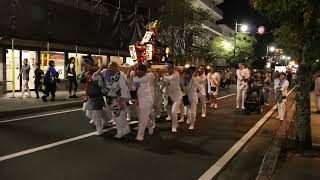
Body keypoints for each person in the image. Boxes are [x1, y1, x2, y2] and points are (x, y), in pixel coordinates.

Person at [98, 62, 131, 138]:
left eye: (112, 69)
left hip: (118, 98)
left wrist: (122, 101)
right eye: (109, 69)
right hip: (108, 97)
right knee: (117, 115)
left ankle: (120, 132)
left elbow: (124, 89)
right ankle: (126, 129)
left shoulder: (121, 76)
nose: (110, 71)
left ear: (116, 69)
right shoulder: (104, 73)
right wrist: (100, 69)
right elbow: (96, 77)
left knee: (118, 115)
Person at [133, 64, 155, 141]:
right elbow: (134, 86)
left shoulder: (148, 76)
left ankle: (140, 136)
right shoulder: (137, 77)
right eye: (137, 71)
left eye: (139, 71)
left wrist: (135, 76)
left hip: (147, 100)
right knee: (142, 116)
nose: (137, 72)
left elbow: (136, 80)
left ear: (144, 71)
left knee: (142, 117)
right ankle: (150, 124)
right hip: (139, 99)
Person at [85, 64, 107, 136]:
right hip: (91, 98)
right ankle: (101, 121)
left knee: (95, 115)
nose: (87, 75)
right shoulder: (91, 79)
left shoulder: (96, 78)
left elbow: (96, 73)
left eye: (88, 73)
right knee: (88, 113)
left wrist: (100, 68)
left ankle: (100, 130)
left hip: (97, 98)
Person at [162, 61, 183, 132]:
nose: (167, 69)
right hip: (170, 96)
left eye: (168, 68)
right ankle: (176, 124)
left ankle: (174, 127)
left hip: (177, 96)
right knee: (168, 109)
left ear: (172, 68)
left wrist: (162, 75)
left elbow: (169, 78)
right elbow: (162, 84)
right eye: (166, 68)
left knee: (174, 111)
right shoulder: (166, 75)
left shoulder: (176, 74)